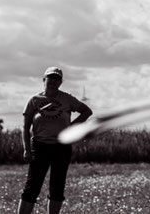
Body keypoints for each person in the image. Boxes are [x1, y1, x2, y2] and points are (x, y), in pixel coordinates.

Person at [18, 66, 93, 214]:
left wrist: (72, 127)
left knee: (57, 186)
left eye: (57, 78)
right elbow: (25, 128)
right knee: (32, 186)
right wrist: (27, 149)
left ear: (61, 82)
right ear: (44, 80)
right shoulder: (34, 100)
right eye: (50, 78)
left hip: (61, 147)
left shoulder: (67, 99)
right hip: (39, 146)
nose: (53, 81)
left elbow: (87, 111)